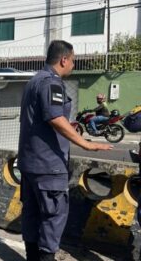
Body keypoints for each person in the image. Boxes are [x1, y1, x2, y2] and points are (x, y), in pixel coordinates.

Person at [18, 40, 113, 261]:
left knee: (32, 214)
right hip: (48, 165)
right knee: (53, 217)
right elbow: (55, 117)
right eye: (73, 60)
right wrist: (86, 144)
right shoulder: (52, 83)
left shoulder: (34, 81)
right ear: (64, 59)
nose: (73, 65)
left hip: (30, 163)